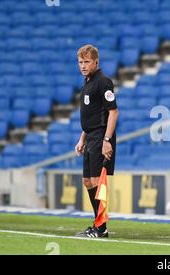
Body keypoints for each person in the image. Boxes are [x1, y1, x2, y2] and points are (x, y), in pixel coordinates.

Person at [74, 45, 118, 238]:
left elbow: (113, 112)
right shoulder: (87, 83)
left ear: (96, 62)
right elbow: (89, 115)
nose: (83, 66)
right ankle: (98, 223)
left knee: (96, 181)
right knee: (87, 181)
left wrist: (107, 140)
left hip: (101, 136)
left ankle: (102, 228)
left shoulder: (103, 82)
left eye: (87, 62)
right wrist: (81, 138)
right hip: (90, 136)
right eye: (80, 62)